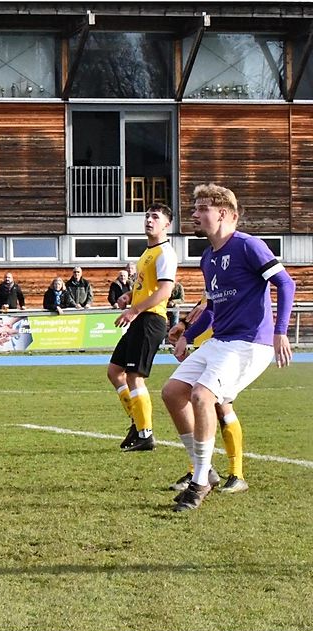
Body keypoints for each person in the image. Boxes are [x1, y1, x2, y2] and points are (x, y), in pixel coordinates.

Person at [162, 183, 294, 512]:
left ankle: (199, 481)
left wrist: (280, 331)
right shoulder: (208, 257)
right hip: (221, 341)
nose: (194, 214)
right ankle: (206, 473)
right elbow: (212, 308)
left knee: (203, 396)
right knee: (172, 391)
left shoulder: (248, 246)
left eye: (201, 208)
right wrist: (187, 336)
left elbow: (285, 282)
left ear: (223, 214)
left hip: (249, 342)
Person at [107, 203, 177, 453]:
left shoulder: (165, 253)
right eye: (147, 216)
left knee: (135, 376)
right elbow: (147, 287)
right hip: (140, 318)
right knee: (115, 372)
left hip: (150, 320)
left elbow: (165, 291)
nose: (149, 220)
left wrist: (135, 309)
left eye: (155, 217)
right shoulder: (147, 253)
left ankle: (145, 434)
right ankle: (137, 423)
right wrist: (129, 296)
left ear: (167, 224)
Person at [167, 299, 248, 494]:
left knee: (222, 405)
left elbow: (211, 309)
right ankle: (199, 470)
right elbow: (204, 306)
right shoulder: (212, 273)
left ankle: (236, 474)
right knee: (194, 401)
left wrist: (187, 333)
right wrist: (185, 326)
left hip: (230, 345)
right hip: (210, 344)